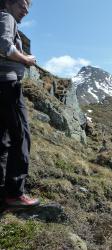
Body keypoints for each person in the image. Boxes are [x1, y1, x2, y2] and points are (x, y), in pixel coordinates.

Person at [0, 0, 39, 207]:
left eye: (27, 7)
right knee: (21, 136)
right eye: (22, 5)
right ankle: (15, 193)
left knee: (4, 138)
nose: (25, 10)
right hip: (8, 85)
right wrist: (26, 59)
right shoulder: (6, 17)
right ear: (8, 3)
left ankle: (4, 190)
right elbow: (5, 46)